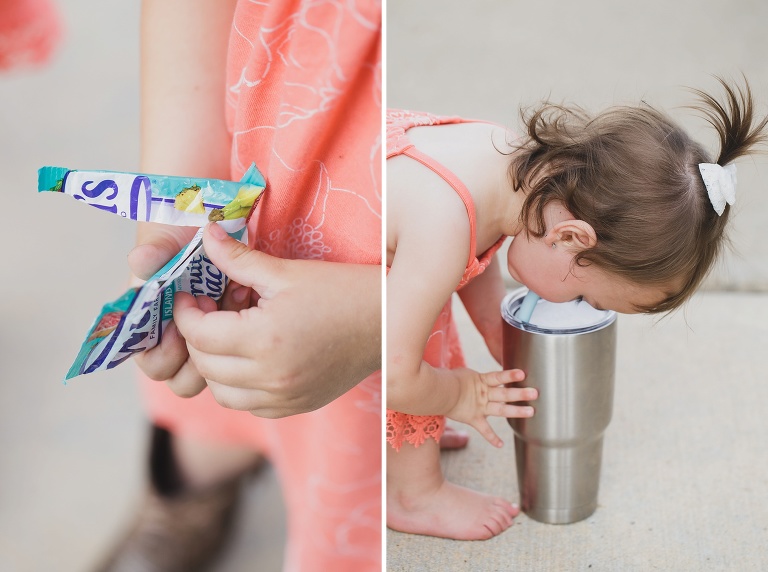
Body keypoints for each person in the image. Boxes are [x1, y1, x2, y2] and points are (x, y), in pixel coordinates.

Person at [385, 79, 768, 540]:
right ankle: (414, 494)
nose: (578, 306)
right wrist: (457, 395)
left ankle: (406, 434)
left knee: (424, 312)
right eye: (588, 297)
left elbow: (473, 239)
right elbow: (393, 372)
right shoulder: (441, 226)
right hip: (319, 268)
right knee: (420, 349)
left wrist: (491, 323)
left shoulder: (505, 161)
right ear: (570, 238)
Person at [97, 2, 382, 571]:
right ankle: (200, 471)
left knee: (340, 438)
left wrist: (376, 315)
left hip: (373, 236)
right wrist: (174, 197)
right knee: (213, 358)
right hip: (267, 114)